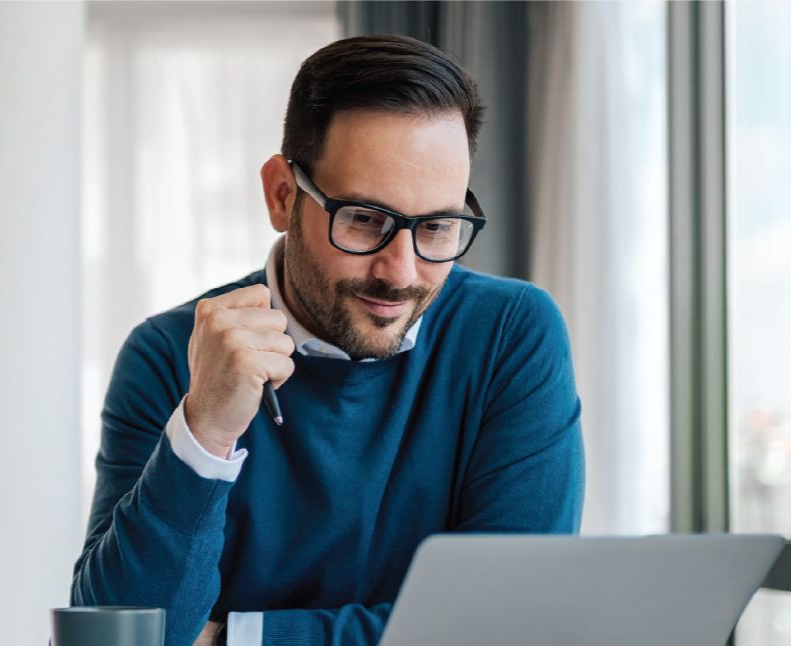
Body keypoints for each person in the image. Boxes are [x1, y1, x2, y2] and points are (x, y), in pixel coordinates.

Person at [69, 34, 584, 646]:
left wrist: (232, 639)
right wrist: (204, 432)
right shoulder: (166, 356)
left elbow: (514, 625)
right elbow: (114, 638)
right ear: (283, 195)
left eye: (439, 226)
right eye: (366, 219)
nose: (401, 272)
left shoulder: (510, 335)